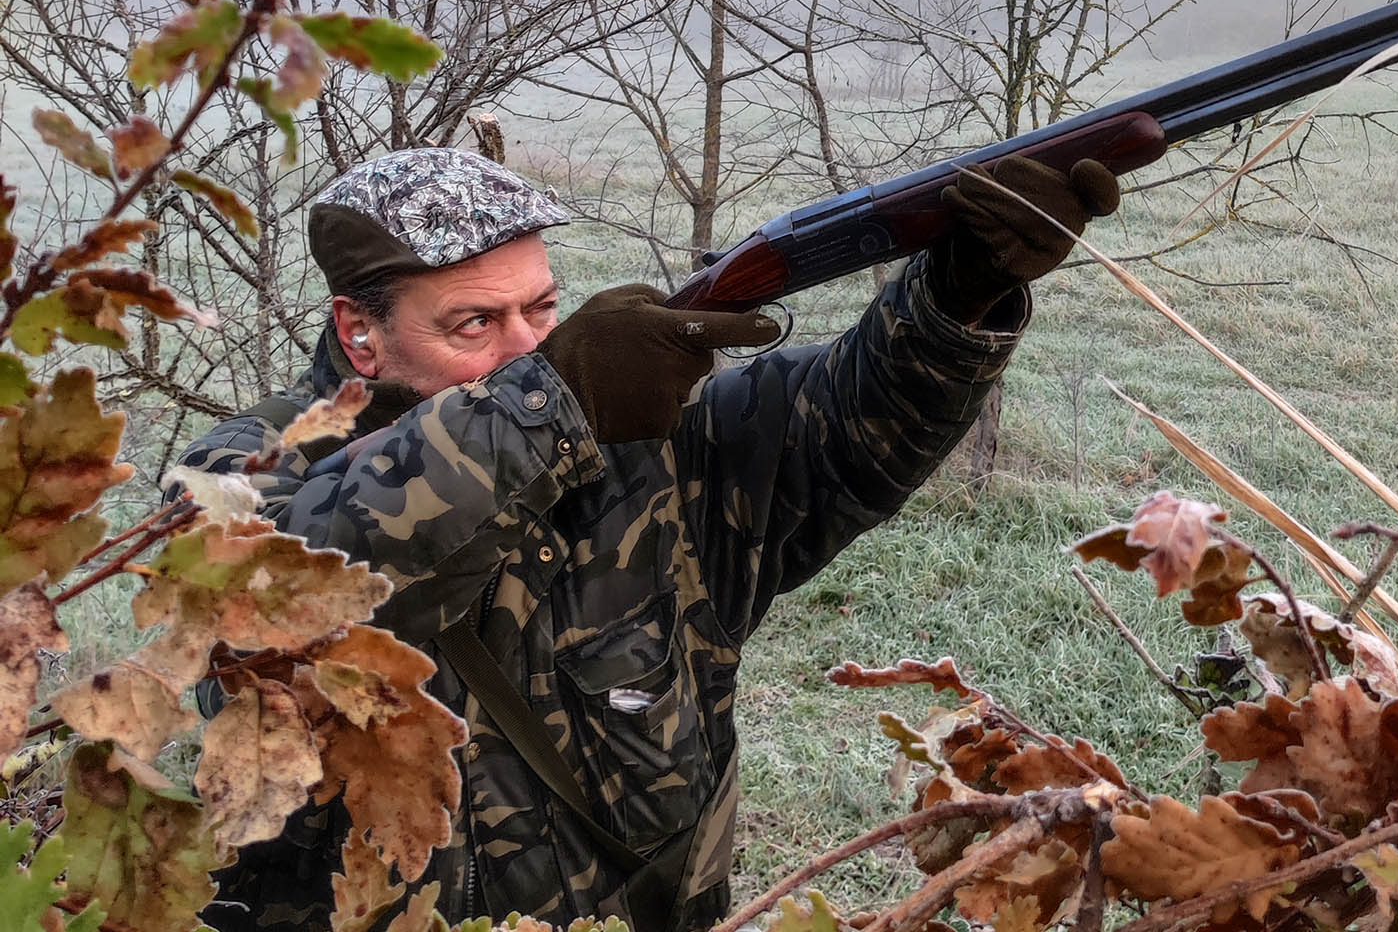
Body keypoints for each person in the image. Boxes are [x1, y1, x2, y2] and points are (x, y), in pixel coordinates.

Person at [178, 146, 1120, 930]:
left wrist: (960, 292)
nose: (526, 349)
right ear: (360, 334)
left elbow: (843, 431)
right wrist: (554, 403)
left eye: (541, 310)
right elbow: (278, 589)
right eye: (475, 322)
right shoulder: (246, 471)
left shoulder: (638, 448)